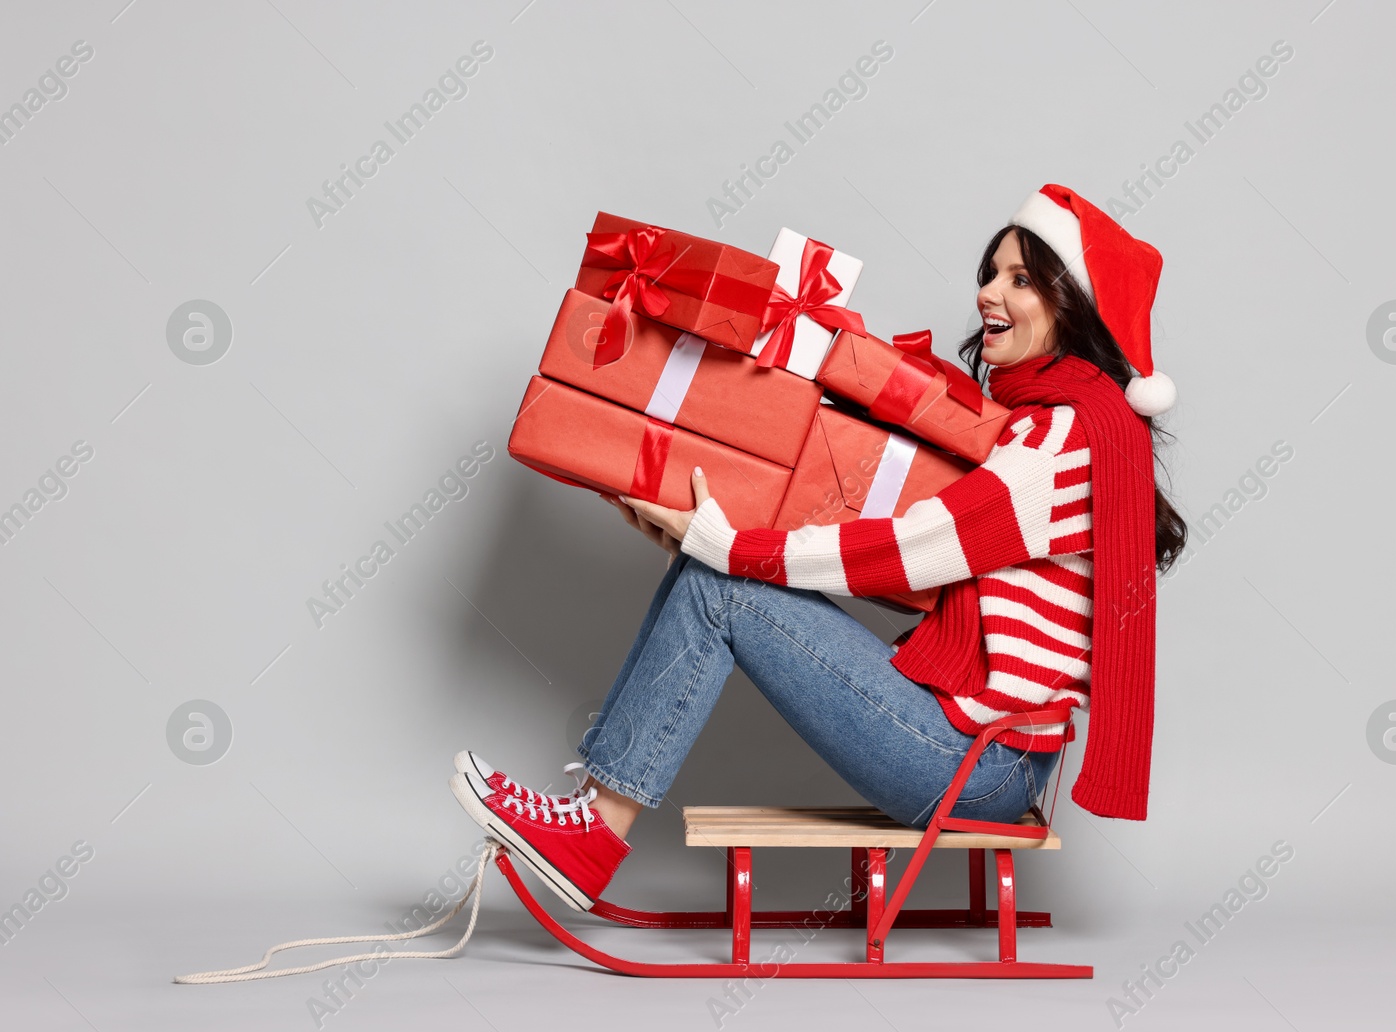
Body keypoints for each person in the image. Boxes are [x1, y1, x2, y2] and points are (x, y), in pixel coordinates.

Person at [450, 185, 1188, 913]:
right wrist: (712, 538)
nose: (989, 293)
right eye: (990, 273)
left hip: (980, 768)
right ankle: (591, 818)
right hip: (991, 758)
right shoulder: (1069, 426)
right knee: (717, 567)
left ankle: (593, 833)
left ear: (1073, 307)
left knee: (724, 583)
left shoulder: (1058, 438)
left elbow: (914, 550)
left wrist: (735, 549)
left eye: (1021, 279)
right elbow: (924, 563)